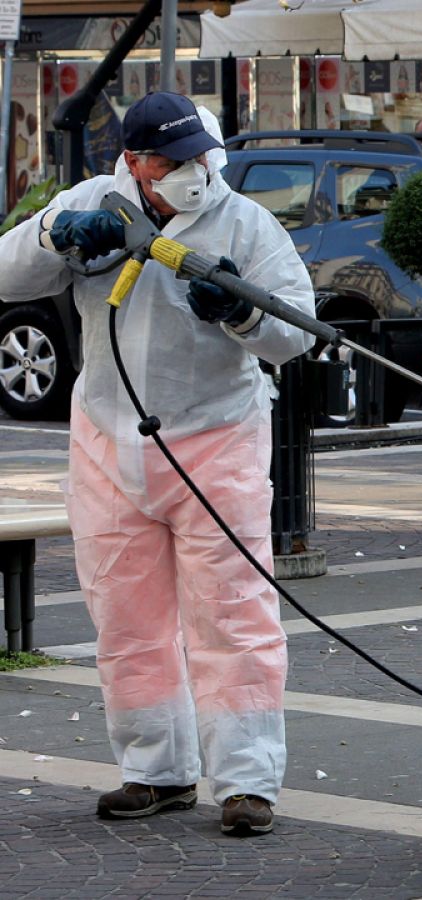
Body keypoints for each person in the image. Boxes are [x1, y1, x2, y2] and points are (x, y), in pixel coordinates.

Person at [0, 92, 314, 835]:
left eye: (197, 158)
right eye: (170, 164)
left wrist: (241, 312)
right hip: (110, 439)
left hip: (216, 439)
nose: (190, 174)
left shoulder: (245, 221)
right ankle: (155, 770)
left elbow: (294, 331)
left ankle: (246, 783)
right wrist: (53, 237)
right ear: (136, 163)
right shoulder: (93, 202)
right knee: (124, 613)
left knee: (233, 614)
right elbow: (7, 274)